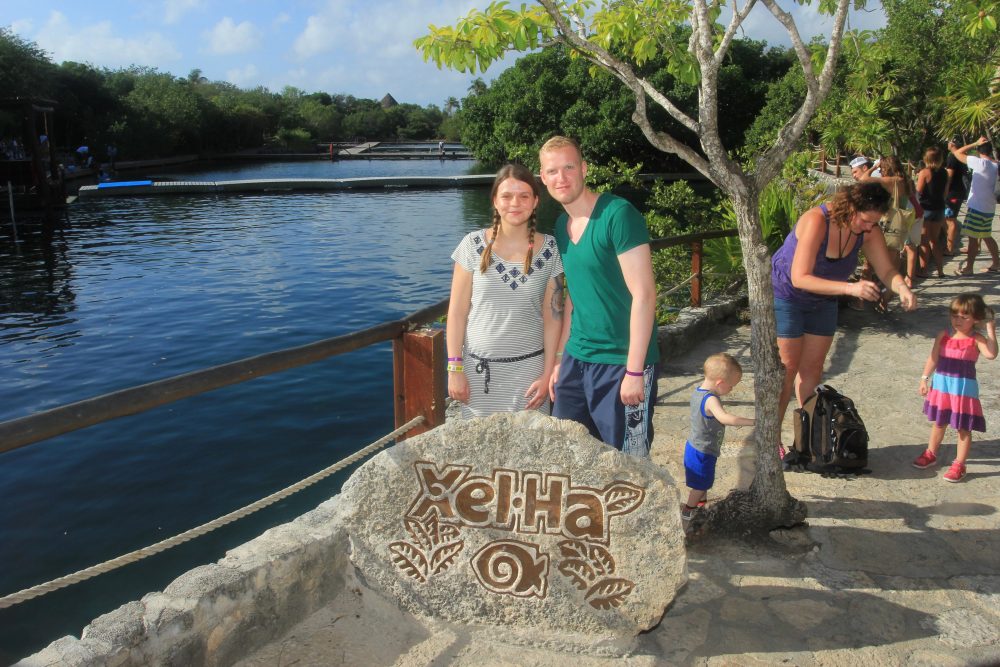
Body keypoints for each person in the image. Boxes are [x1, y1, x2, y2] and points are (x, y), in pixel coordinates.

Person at [772, 182, 917, 455]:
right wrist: (851, 289)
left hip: (824, 299)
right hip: (788, 296)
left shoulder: (868, 231)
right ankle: (772, 438)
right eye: (865, 220)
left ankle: (809, 438)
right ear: (850, 208)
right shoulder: (817, 220)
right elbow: (799, 277)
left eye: (874, 222)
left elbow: (886, 270)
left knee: (812, 370)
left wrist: (902, 288)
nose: (869, 227)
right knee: (786, 371)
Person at [539, 135, 659, 457]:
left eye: (569, 167)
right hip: (577, 358)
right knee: (567, 453)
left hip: (621, 362)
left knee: (627, 462)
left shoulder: (618, 215)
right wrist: (560, 359)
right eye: (552, 171)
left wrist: (634, 372)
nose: (561, 178)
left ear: (584, 169)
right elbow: (574, 298)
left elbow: (645, 295)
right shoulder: (562, 225)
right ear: (543, 178)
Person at [446, 163, 564, 418]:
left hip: (530, 376)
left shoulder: (550, 249)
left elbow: (553, 317)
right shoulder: (471, 245)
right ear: (495, 202)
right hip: (478, 376)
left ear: (535, 201)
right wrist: (455, 369)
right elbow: (456, 313)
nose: (515, 203)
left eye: (524, 196)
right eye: (507, 196)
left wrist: (547, 373)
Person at [913, 293, 997, 482]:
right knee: (939, 422)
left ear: (976, 319)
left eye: (964, 317)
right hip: (942, 387)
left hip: (963, 391)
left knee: (963, 428)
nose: (957, 320)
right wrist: (924, 378)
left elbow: (991, 354)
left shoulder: (977, 339)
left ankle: (960, 464)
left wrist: (991, 329)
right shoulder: (943, 335)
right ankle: (931, 453)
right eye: (954, 315)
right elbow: (933, 358)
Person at [681, 353, 755, 523]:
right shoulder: (711, 399)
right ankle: (688, 510)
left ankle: (701, 506)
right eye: (731, 386)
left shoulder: (698, 392)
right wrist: (752, 422)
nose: (731, 390)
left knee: (702, 481)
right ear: (720, 383)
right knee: (701, 484)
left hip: (695, 447)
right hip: (703, 451)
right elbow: (724, 418)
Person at [862, 155, 921, 288]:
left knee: (872, 260)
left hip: (888, 221)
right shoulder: (906, 180)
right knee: (894, 258)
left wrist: (874, 167)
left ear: (886, 167)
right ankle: (888, 292)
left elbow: (863, 179)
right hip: (900, 223)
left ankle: (870, 292)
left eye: (882, 168)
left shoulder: (891, 180)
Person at [950, 137, 999, 274]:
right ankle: (996, 263)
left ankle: (969, 268)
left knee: (972, 239)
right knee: (987, 236)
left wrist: (974, 143)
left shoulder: (980, 163)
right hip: (989, 207)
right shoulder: (996, 165)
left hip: (977, 207)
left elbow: (957, 153)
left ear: (978, 150)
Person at [916, 146, 949, 278]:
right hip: (939, 208)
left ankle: (924, 271)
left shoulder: (924, 172)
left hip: (926, 208)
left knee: (924, 241)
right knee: (935, 240)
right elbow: (945, 192)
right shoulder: (944, 172)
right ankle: (940, 271)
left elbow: (918, 192)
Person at [944, 138, 971, 255]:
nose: (947, 144)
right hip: (960, 191)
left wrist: (944, 192)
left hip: (953, 193)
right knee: (949, 219)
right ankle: (949, 245)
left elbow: (949, 177)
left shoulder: (952, 157)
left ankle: (949, 249)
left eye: (948, 142)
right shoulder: (963, 156)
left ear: (952, 144)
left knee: (950, 219)